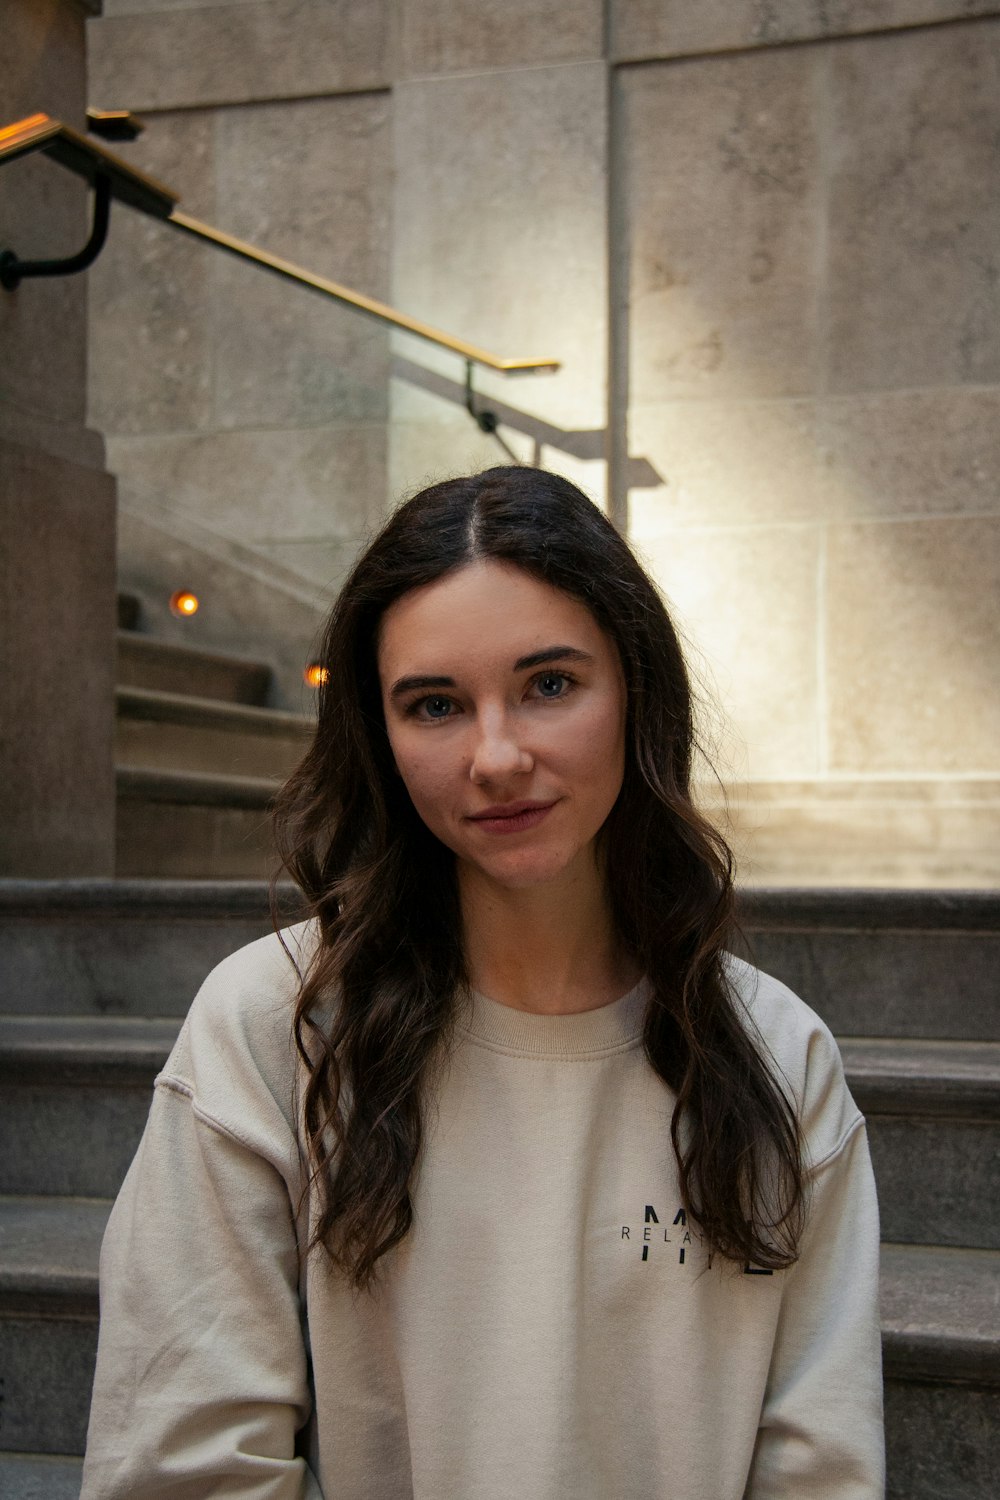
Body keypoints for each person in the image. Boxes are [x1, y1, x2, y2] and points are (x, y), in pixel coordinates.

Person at [81, 466, 885, 1499]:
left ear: (634, 691)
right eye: (435, 705)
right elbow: (182, 1464)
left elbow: (817, 1471)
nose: (496, 757)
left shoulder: (778, 1054)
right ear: (380, 733)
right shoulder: (271, 1026)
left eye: (549, 685)